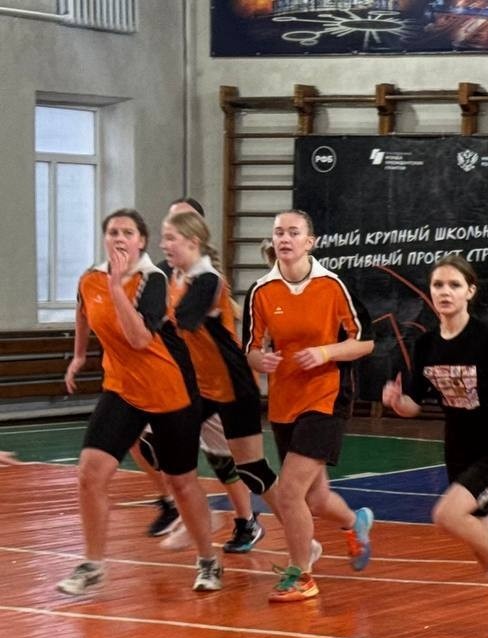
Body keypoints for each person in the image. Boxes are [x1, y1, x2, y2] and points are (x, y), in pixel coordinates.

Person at [381, 255, 488, 636]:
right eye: (438, 285)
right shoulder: (426, 345)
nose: (445, 292)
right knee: (479, 544)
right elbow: (414, 405)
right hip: (458, 449)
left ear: (470, 292)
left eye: (454, 285)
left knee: (447, 515)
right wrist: (396, 401)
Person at [58, 209, 223, 595]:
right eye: (113, 231)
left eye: (127, 232)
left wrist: (117, 288)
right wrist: (79, 355)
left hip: (169, 391)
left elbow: (138, 339)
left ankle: (208, 559)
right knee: (90, 474)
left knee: (181, 483)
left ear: (141, 241)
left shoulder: (153, 279)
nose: (119, 238)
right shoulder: (90, 278)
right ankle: (93, 564)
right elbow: (83, 311)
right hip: (122, 389)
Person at [244, 209, 374, 602]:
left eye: (293, 232)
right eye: (279, 232)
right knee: (314, 499)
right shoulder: (261, 292)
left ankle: (302, 574)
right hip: (285, 400)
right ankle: (355, 522)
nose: (285, 238)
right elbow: (250, 348)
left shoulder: (332, 286)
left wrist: (325, 352)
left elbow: (365, 342)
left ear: (309, 241)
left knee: (289, 492)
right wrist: (261, 361)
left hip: (327, 396)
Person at [138, 197, 263, 554]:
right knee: (153, 435)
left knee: (234, 464)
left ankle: (250, 521)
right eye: (167, 228)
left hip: (222, 381)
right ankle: (181, 506)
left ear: (195, 234)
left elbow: (178, 322)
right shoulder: (168, 274)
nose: (168, 238)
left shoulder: (206, 278)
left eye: (177, 229)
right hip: (189, 380)